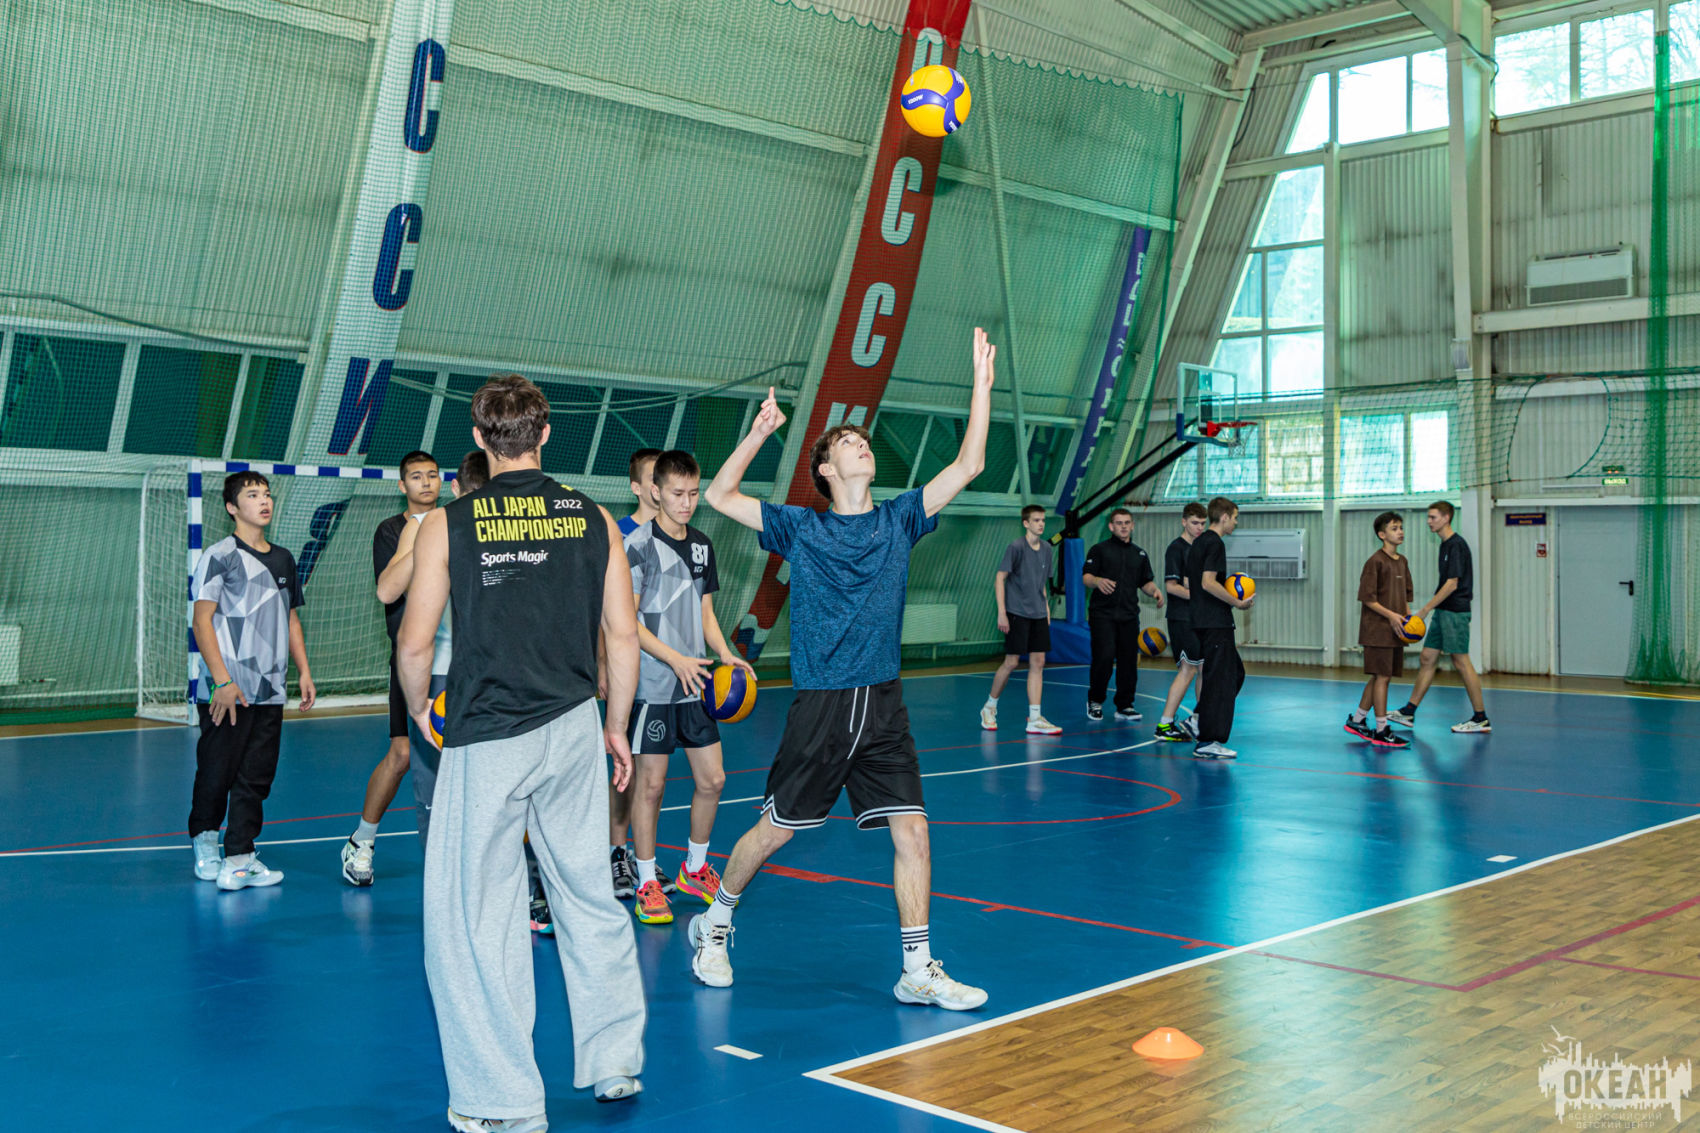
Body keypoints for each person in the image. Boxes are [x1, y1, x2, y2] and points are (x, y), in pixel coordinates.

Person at [692, 328, 999, 1011]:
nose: (862, 444)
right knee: (774, 831)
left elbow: (969, 464)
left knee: (913, 830)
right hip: (823, 705)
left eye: (864, 440)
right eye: (847, 442)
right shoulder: (801, 528)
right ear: (826, 470)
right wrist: (760, 432)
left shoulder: (899, 520)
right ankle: (714, 922)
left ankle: (916, 968)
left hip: (884, 703)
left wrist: (980, 386)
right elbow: (719, 495)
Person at [399, 374, 646, 1130]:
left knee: (473, 916)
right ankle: (615, 1059)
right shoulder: (594, 517)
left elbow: (415, 642)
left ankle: (502, 1102)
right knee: (588, 892)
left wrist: (419, 706)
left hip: (488, 734)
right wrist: (615, 724)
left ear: (479, 440)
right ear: (545, 434)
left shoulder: (447, 524)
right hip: (572, 723)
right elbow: (623, 636)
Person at [624, 450, 754, 926]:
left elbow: (705, 614)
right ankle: (646, 880)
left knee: (713, 779)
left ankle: (694, 869)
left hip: (695, 683)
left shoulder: (701, 546)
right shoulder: (636, 546)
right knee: (651, 786)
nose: (686, 502)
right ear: (655, 491)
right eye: (677, 493)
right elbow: (629, 623)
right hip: (652, 685)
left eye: (694, 493)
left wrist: (725, 651)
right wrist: (674, 658)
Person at [188, 471, 316, 889]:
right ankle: (205, 841)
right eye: (252, 495)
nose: (264, 501)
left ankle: (239, 857)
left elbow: (290, 619)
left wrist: (304, 670)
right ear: (232, 507)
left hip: (270, 689)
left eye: (267, 494)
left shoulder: (284, 559)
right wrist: (222, 682)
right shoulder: (219, 555)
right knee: (217, 769)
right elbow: (201, 621)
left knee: (256, 775)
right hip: (228, 688)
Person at [343, 450, 441, 886]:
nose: (426, 483)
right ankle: (361, 841)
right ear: (403, 486)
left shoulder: (455, 524)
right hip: (411, 660)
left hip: (455, 662)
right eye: (416, 477)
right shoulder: (391, 531)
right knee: (401, 755)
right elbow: (391, 589)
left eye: (432, 475)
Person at [607, 448, 664, 902]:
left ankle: (642, 856)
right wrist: (602, 665)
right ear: (637, 487)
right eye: (653, 478)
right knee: (623, 767)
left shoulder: (676, 536)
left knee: (652, 775)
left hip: (663, 674)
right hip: (626, 669)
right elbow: (603, 612)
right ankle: (616, 851)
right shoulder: (618, 535)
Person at [1387, 501, 1491, 734]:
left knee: (1460, 661)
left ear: (1446, 518)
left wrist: (1425, 610)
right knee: (1427, 658)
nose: (1429, 521)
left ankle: (1480, 718)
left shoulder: (1456, 545)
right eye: (1428, 517)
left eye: (1433, 517)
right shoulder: (1444, 545)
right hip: (1443, 611)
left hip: (1455, 612)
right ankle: (1408, 712)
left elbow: (1452, 584)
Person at [980, 504, 1060, 735]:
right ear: (1026, 523)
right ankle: (989, 707)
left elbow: (1041, 583)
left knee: (1038, 663)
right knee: (1012, 662)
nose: (1041, 524)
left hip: (1038, 614)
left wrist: (1046, 609)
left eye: (1043, 520)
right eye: (1036, 520)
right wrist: (1002, 612)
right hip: (1017, 613)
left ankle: (1034, 718)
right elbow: (1000, 578)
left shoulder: (1047, 549)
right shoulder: (1016, 547)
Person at [1081, 508, 1163, 721]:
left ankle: (1125, 705)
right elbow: (1086, 577)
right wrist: (1097, 581)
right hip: (1103, 615)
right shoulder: (1099, 550)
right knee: (1105, 656)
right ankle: (1095, 700)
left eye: (1127, 522)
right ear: (1111, 526)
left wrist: (1154, 591)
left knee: (1128, 662)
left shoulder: (1139, 554)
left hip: (1129, 616)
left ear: (1132, 525)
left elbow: (1145, 582)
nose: (1123, 526)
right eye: (1119, 523)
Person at [1185, 496, 1252, 760]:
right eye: (1235, 517)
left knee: (1235, 673)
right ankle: (1207, 740)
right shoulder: (1214, 543)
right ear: (1224, 517)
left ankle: (1198, 719)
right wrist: (1237, 602)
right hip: (1214, 623)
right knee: (1220, 680)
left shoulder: (1199, 542)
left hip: (1206, 621)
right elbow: (1207, 582)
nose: (1236, 522)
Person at [1345, 512, 1414, 750]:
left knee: (1379, 676)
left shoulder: (1402, 561)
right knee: (1383, 677)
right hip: (1377, 630)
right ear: (1382, 535)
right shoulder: (1375, 562)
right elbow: (1367, 599)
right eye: (1394, 528)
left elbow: (1405, 596)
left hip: (1396, 630)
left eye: (1401, 527)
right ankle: (1382, 729)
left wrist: (1408, 620)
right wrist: (1392, 616)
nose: (1400, 532)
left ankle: (1357, 720)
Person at [1154, 502, 1208, 742]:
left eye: (1203, 523)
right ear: (1184, 521)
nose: (1199, 528)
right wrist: (1199, 594)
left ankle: (1200, 719)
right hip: (1181, 618)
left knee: (1204, 668)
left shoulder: (1201, 548)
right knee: (1188, 669)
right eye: (1195, 523)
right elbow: (1171, 587)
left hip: (1199, 619)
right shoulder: (1176, 549)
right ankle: (1165, 724)